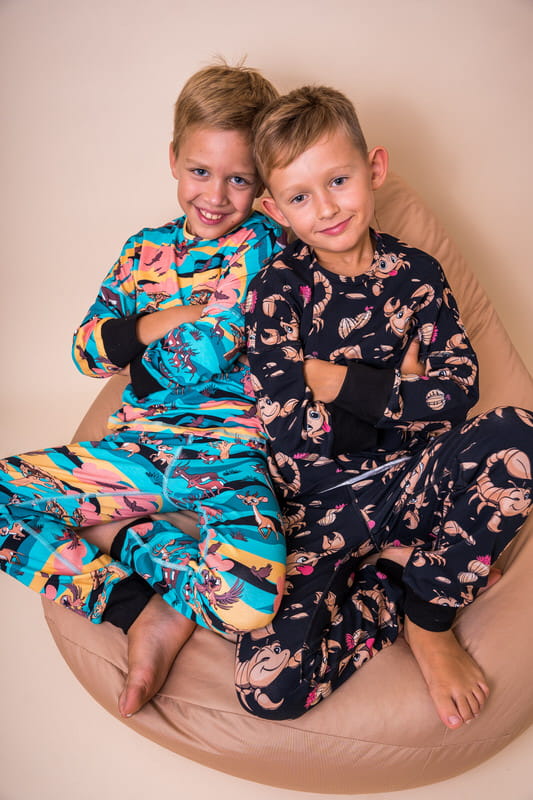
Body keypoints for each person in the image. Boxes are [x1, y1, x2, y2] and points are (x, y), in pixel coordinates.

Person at [235, 85, 533, 729]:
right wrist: (401, 392)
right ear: (274, 209)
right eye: (299, 197)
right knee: (268, 689)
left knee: (522, 435)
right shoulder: (275, 292)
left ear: (374, 168)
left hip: (416, 481)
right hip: (318, 507)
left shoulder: (417, 274)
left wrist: (330, 379)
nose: (326, 207)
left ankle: (429, 615)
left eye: (338, 180)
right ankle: (391, 584)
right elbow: (289, 432)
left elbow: (459, 391)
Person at [0, 63, 287, 718]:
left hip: (228, 459)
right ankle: (135, 609)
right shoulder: (143, 252)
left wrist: (145, 358)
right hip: (135, 454)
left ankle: (123, 535)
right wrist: (163, 320)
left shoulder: (268, 244)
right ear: (173, 158)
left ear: (264, 180)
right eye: (200, 171)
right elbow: (86, 351)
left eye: (239, 178)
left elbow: (206, 347)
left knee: (247, 606)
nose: (215, 195)